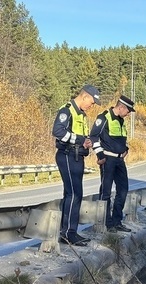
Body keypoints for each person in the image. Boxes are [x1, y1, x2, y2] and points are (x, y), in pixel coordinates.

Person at [53, 84, 101, 246]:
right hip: (67, 154)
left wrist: (86, 142)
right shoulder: (67, 110)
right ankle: (68, 233)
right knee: (74, 194)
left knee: (73, 194)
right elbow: (58, 131)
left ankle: (69, 231)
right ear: (85, 96)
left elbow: (80, 135)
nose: (91, 106)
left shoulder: (81, 114)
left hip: (77, 156)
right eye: (92, 102)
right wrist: (81, 140)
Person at [90, 95, 135, 233]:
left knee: (123, 190)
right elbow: (93, 136)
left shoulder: (121, 121)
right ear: (121, 107)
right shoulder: (103, 118)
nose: (128, 114)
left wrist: (125, 149)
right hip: (107, 160)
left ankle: (117, 221)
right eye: (128, 111)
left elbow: (121, 138)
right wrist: (100, 155)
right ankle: (107, 223)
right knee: (106, 192)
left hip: (120, 160)